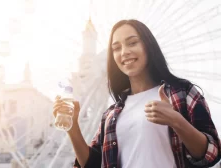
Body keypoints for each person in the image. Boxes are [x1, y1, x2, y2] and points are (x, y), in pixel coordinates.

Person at [53, 19, 221, 168]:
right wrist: (72, 127)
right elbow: (94, 164)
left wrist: (176, 121)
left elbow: (212, 153)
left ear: (148, 46)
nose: (124, 52)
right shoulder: (111, 115)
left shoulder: (181, 92)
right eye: (116, 48)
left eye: (132, 43)